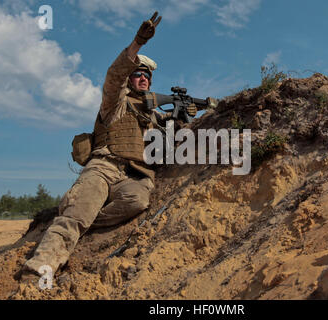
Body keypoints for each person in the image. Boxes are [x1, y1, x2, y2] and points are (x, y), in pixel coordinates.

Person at [19, 12, 197, 283]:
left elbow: (174, 145)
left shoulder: (154, 116)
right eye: (137, 74)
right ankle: (38, 270)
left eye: (146, 76)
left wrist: (184, 117)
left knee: (138, 201)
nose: (142, 79)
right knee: (77, 214)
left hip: (136, 176)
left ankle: (81, 221)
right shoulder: (115, 102)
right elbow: (114, 76)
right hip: (105, 166)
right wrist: (137, 43)